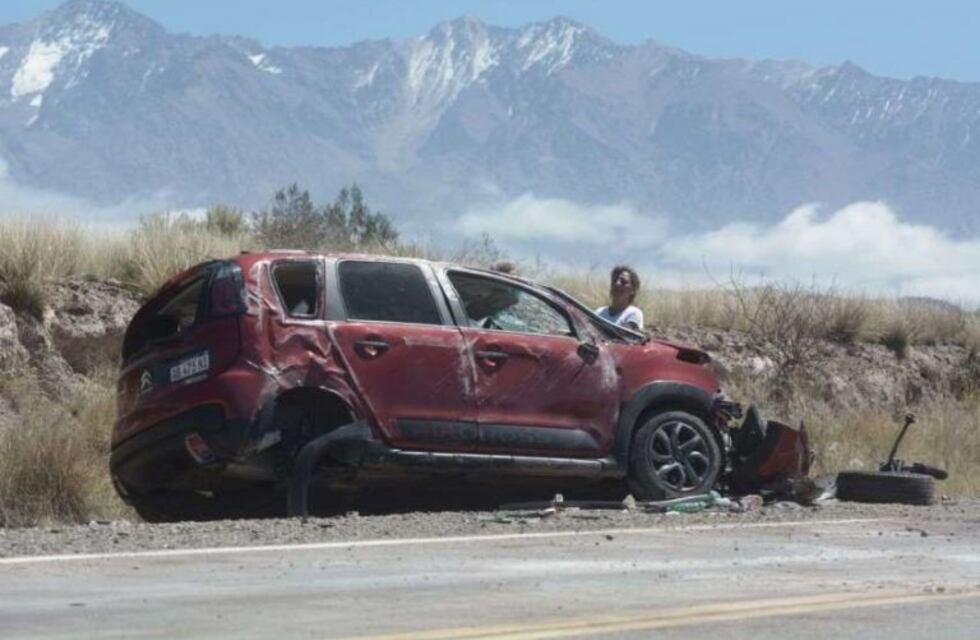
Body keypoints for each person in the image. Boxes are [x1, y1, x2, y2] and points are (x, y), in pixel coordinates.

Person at [595, 265, 644, 331]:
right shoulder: (599, 312)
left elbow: (623, 334)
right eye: (614, 280)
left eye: (623, 282)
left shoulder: (634, 313)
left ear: (633, 290)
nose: (617, 283)